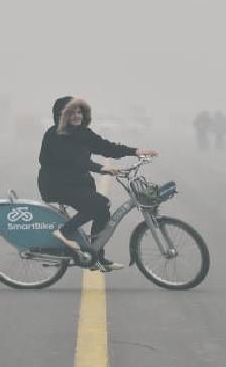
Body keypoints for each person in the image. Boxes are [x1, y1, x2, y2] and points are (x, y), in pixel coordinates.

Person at [38, 97, 158, 272]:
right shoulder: (54, 135)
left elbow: (105, 146)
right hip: (57, 185)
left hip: (77, 183)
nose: (77, 116)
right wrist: (101, 168)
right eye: (71, 112)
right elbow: (74, 160)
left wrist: (135, 152)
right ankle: (64, 232)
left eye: (79, 112)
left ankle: (96, 255)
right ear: (61, 115)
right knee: (99, 204)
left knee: (103, 208)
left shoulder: (83, 133)